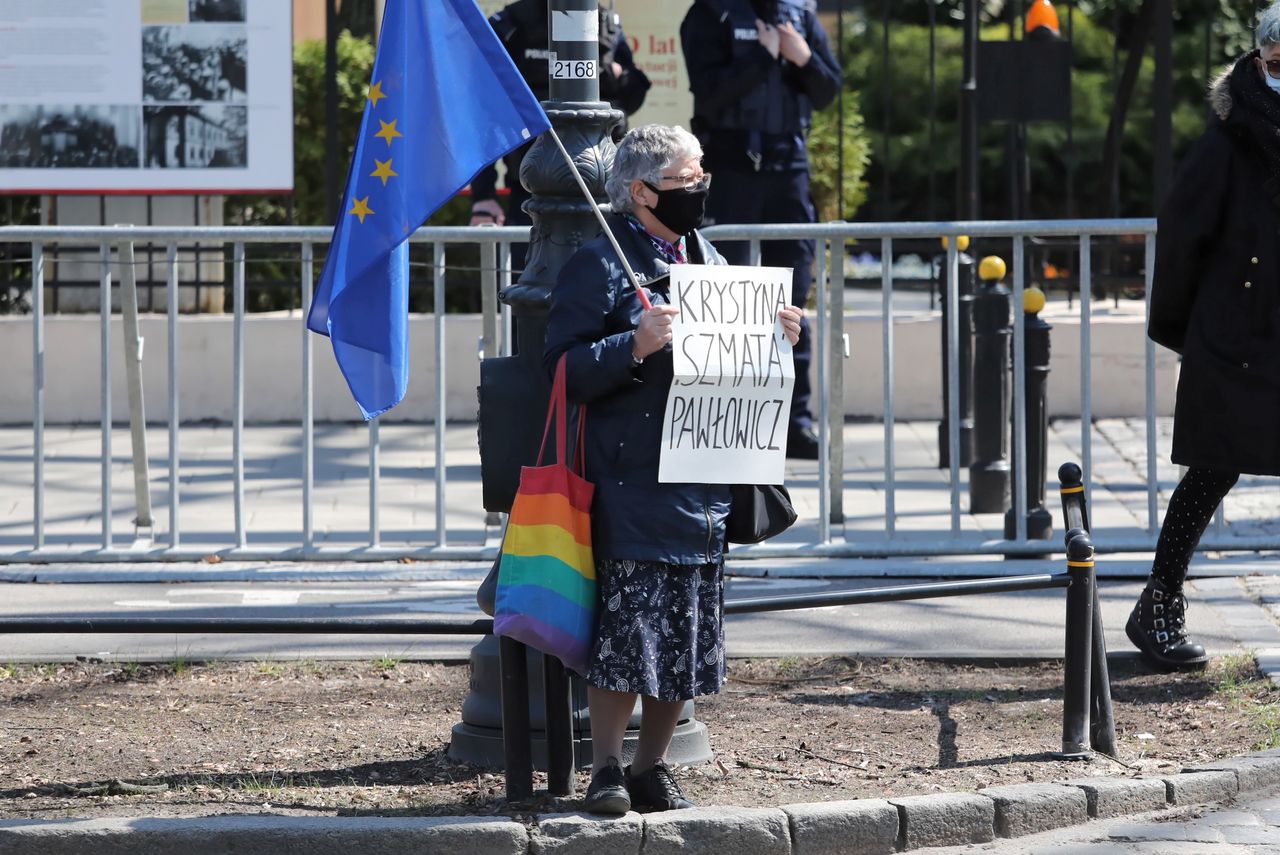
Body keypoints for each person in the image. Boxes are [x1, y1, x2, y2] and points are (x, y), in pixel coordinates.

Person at [544, 124, 804, 814]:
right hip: (634, 484)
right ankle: (604, 765)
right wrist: (632, 345)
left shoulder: (711, 262)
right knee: (627, 637)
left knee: (686, 638)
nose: (702, 189)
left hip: (705, 481)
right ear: (642, 190)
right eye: (689, 180)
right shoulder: (598, 265)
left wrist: (776, 337)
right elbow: (560, 370)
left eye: (699, 177)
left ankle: (650, 766)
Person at [1131, 2, 1280, 672]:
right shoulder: (1232, 135)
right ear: (1263, 57)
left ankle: (1158, 604)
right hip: (1238, 330)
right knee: (1216, 466)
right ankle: (1158, 607)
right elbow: (1182, 230)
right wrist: (1190, 327)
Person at [679, 0, 841, 459]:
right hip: (730, 169)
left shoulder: (800, 13)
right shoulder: (711, 13)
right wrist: (761, 57)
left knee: (792, 298)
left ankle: (795, 422)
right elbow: (708, 94)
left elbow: (828, 90)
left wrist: (802, 57)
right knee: (722, 298)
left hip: (788, 170)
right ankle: (720, 419)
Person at [470, 0, 651, 258]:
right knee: (532, 285)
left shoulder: (603, 23)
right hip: (532, 191)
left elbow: (631, 96)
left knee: (604, 288)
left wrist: (616, 73)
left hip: (603, 190)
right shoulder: (512, 25)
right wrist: (483, 196)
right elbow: (483, 113)